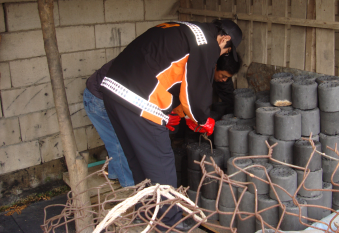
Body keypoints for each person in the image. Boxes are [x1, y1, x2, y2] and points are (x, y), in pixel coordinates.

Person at [100, 20, 242, 231]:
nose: (220, 56)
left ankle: (145, 212)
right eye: (225, 51)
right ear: (225, 39)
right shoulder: (206, 43)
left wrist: (176, 113)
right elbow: (194, 92)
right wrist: (202, 120)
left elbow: (170, 75)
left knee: (138, 159)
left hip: (113, 90)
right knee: (162, 162)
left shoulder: (182, 28)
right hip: (137, 98)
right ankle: (170, 223)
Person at [83, 52, 240, 187]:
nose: (224, 80)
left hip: (119, 94)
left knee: (118, 143)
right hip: (100, 97)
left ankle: (115, 176)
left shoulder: (186, 65)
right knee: (119, 143)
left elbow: (176, 95)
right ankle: (129, 189)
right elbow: (149, 95)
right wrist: (162, 115)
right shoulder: (175, 65)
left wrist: (186, 116)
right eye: (223, 76)